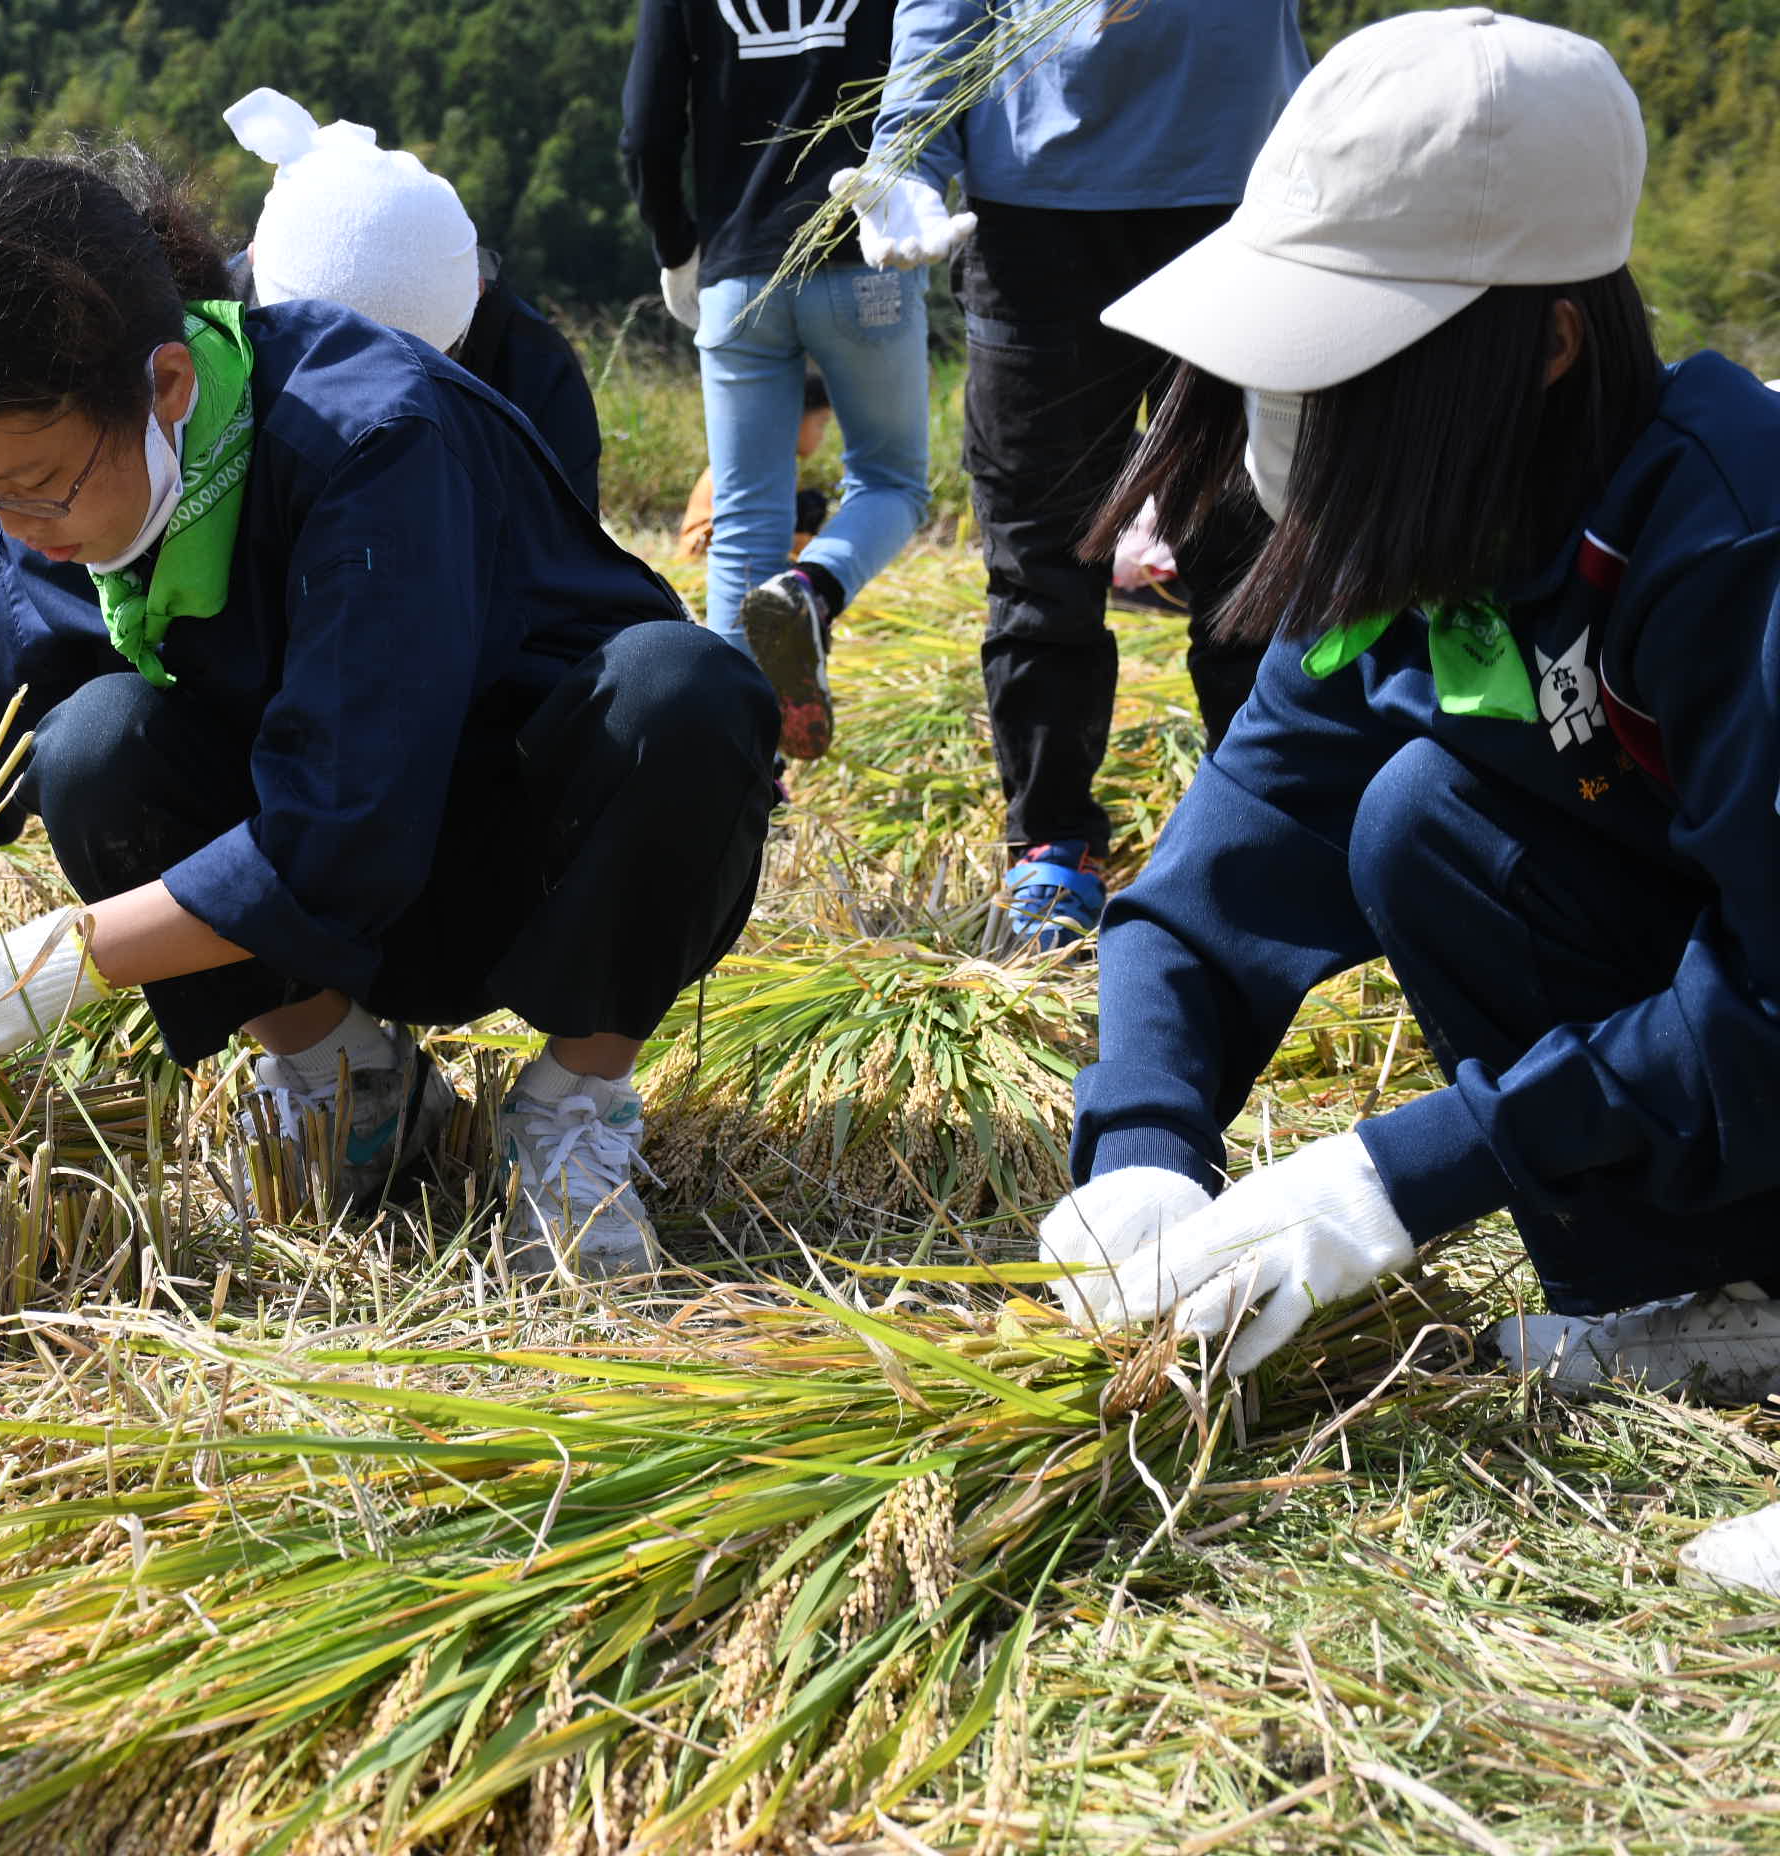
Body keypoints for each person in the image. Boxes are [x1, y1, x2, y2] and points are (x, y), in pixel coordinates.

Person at [1034, 10, 1780, 1594]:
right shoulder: (1439, 560)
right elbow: (1210, 889)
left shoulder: (1728, 547)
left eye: (1354, 357)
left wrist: (1413, 1168)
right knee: (1424, 815)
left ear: (1552, 344)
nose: (1294, 417)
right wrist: (1145, 1146)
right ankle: (1722, 1291)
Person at [0, 151, 779, 1279]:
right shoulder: (70, 497)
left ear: (164, 387)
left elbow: (340, 832)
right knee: (96, 745)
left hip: (528, 863)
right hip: (302, 912)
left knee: (683, 696)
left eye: (35, 483)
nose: (13, 524)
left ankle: (571, 1112)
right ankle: (349, 1084)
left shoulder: (368, 441)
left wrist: (37, 970)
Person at [845, 0, 1306, 947]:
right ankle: (1052, 844)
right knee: (1042, 561)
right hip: (1038, 226)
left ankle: (1272, 822)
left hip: (1236, 203)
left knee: (1253, 549)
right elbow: (944, 11)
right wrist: (908, 156)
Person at [621, 0, 933, 763]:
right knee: (893, 481)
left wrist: (677, 247)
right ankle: (811, 589)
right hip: (867, 258)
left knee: (744, 522)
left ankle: (734, 765)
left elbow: (645, 131)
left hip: (738, 272)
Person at [223, 87, 603, 506]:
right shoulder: (207, 346)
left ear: (475, 293)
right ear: (256, 266)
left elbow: (561, 551)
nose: (374, 412)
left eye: (421, 374)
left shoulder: (529, 370)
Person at [677, 367, 835, 562]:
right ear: (793, 418)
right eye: (821, 424)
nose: (822, 436)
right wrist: (815, 550)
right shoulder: (757, 463)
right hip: (706, 548)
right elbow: (751, 526)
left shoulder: (773, 458)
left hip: (737, 542)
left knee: (811, 503)